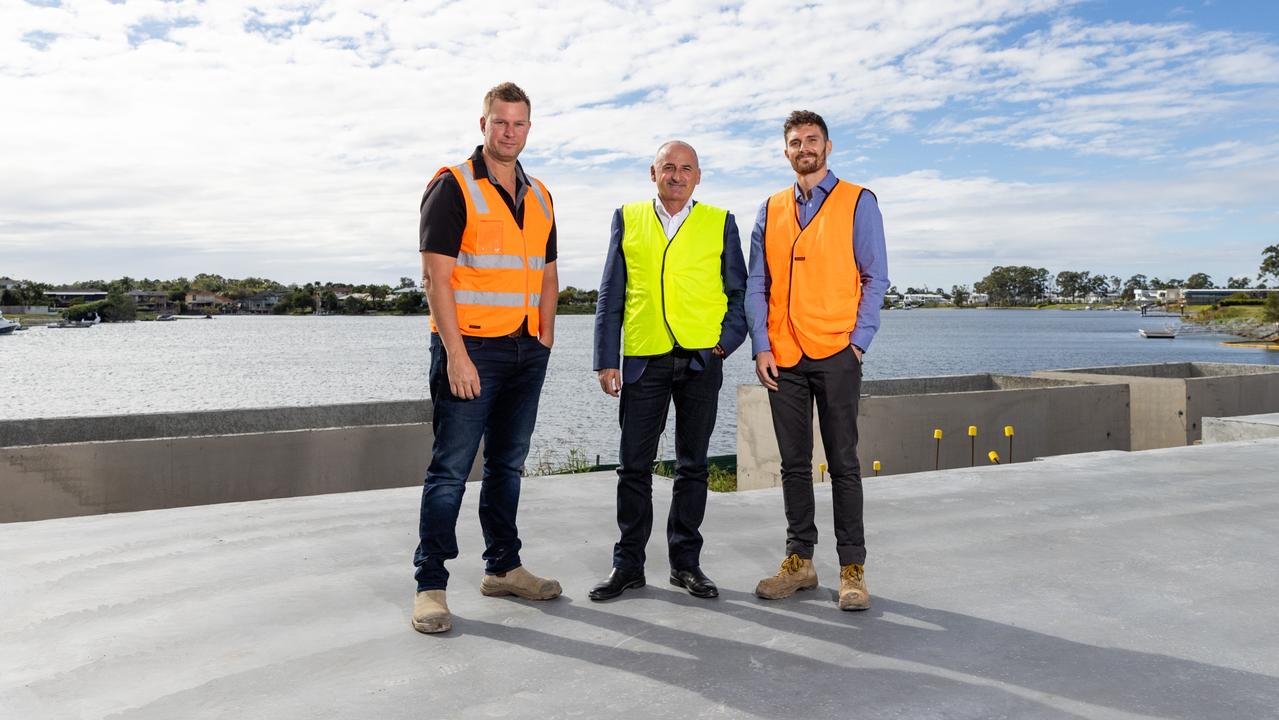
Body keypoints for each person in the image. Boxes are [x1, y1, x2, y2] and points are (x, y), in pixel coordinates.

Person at [411, 82, 562, 634]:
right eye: (501, 122)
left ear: (528, 128)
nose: (510, 133)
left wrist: (545, 335)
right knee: (450, 470)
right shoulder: (452, 186)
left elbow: (547, 273)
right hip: (470, 349)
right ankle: (430, 585)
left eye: (520, 124)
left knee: (508, 465)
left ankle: (503, 567)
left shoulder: (541, 193)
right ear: (483, 125)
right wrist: (456, 353)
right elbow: (436, 276)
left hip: (526, 351)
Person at [589, 141, 747, 602]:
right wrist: (605, 358)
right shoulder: (628, 217)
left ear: (698, 176)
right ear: (652, 172)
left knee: (693, 466)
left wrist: (725, 344)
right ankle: (628, 565)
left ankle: (686, 565)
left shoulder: (721, 221)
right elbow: (610, 293)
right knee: (633, 467)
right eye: (668, 168)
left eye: (686, 169)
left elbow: (739, 292)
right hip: (644, 357)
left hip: (702, 358)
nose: (677, 176)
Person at [745, 110, 890, 611]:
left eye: (812, 139)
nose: (803, 147)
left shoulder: (858, 201)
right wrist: (761, 345)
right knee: (793, 464)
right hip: (783, 355)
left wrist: (858, 341)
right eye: (794, 141)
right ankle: (799, 562)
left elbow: (876, 277)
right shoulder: (770, 208)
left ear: (828, 147)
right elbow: (757, 284)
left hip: (836, 352)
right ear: (785, 150)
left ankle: (853, 567)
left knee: (844, 463)